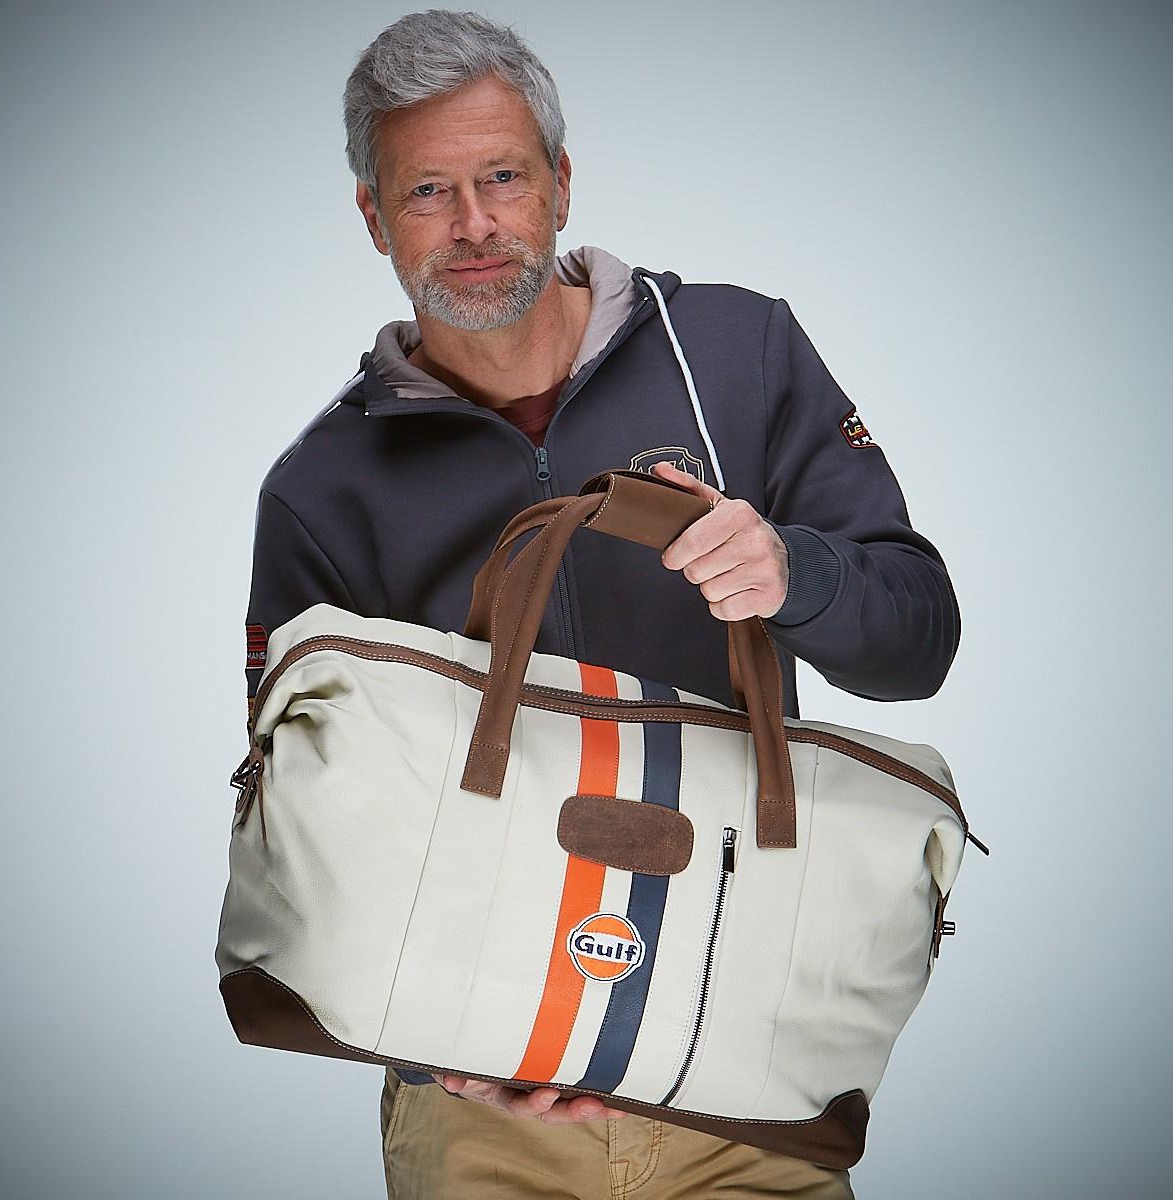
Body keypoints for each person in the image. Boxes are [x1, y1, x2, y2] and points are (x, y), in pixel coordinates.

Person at [240, 10, 960, 1198]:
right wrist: (443, 1048)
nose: (474, 225)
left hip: (746, 1076)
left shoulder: (738, 349)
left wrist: (794, 575)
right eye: (427, 192)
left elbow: (920, 639)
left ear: (562, 183)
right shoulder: (321, 488)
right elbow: (303, 826)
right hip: (476, 1113)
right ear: (373, 216)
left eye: (503, 177)